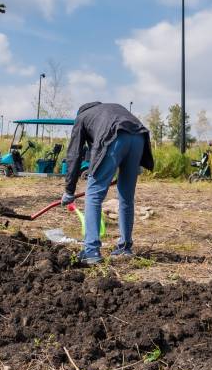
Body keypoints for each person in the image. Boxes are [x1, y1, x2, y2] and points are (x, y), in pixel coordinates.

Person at [61, 102, 154, 265]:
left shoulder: (81, 118)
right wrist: (135, 162)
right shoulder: (109, 110)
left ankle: (90, 251)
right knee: (126, 197)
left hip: (114, 136)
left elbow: (74, 155)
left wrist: (69, 191)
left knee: (93, 195)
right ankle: (125, 247)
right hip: (139, 138)